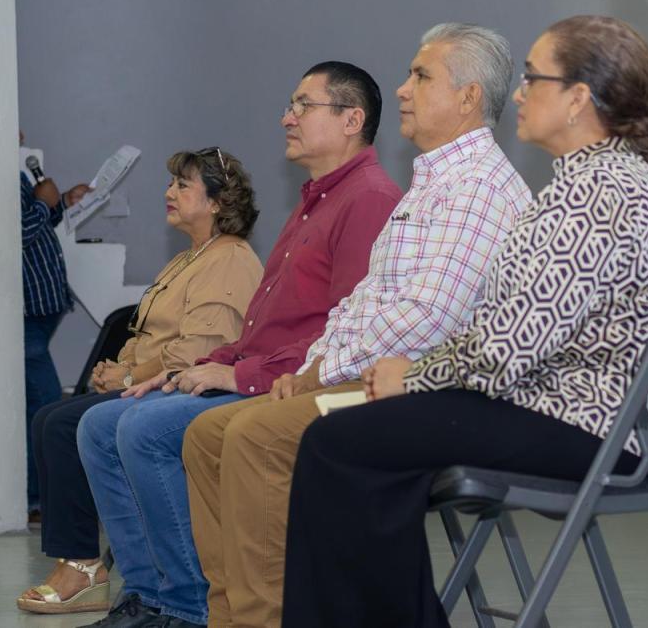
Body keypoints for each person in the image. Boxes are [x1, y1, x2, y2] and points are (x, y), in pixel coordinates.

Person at [280, 15, 648, 628]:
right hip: (570, 411)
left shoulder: (594, 194)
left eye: (534, 78)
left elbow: (504, 351)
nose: (519, 93)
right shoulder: (597, 180)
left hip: (584, 424)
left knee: (338, 444)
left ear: (578, 98)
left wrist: (413, 376)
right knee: (353, 445)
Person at [182, 23, 533, 628]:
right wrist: (314, 363)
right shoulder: (434, 183)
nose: (401, 89)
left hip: (422, 391)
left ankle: (267, 620)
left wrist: (322, 372)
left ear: (468, 97)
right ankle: (230, 618)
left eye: (421, 76)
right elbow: (362, 302)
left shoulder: (477, 189)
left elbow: (428, 319)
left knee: (256, 436)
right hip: (372, 376)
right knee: (207, 435)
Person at [76, 61, 403, 628]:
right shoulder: (314, 201)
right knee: (99, 425)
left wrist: (240, 375)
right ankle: (149, 593)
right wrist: (204, 365)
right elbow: (261, 328)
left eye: (303, 106)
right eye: (290, 106)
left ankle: (185, 606)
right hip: (260, 367)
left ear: (352, 120)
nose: (287, 118)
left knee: (145, 429)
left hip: (297, 384)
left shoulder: (369, 199)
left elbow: (345, 335)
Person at [17, 148, 263, 615]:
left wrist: (127, 376)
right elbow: (146, 332)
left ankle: (88, 566)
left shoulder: (229, 259)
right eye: (171, 183)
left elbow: (198, 352)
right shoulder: (187, 258)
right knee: (51, 416)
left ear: (217, 202)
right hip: (156, 382)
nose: (169, 192)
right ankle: (100, 569)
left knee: (64, 425)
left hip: (193, 388)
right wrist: (116, 368)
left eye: (183, 185)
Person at [20, 131, 91, 517]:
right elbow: (16, 233)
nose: (20, 135)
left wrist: (61, 202)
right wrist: (44, 204)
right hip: (26, 316)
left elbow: (37, 222)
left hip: (42, 311)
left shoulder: (17, 173)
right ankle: (37, 500)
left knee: (39, 405)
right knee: (45, 407)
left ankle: (39, 497)